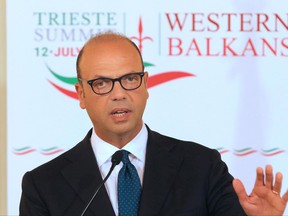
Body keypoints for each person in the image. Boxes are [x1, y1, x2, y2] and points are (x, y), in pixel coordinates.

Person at [20, 32, 288, 216]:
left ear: (145, 84)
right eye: (101, 83)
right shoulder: (43, 185)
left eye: (130, 79)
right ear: (80, 94)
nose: (119, 93)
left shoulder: (202, 167)